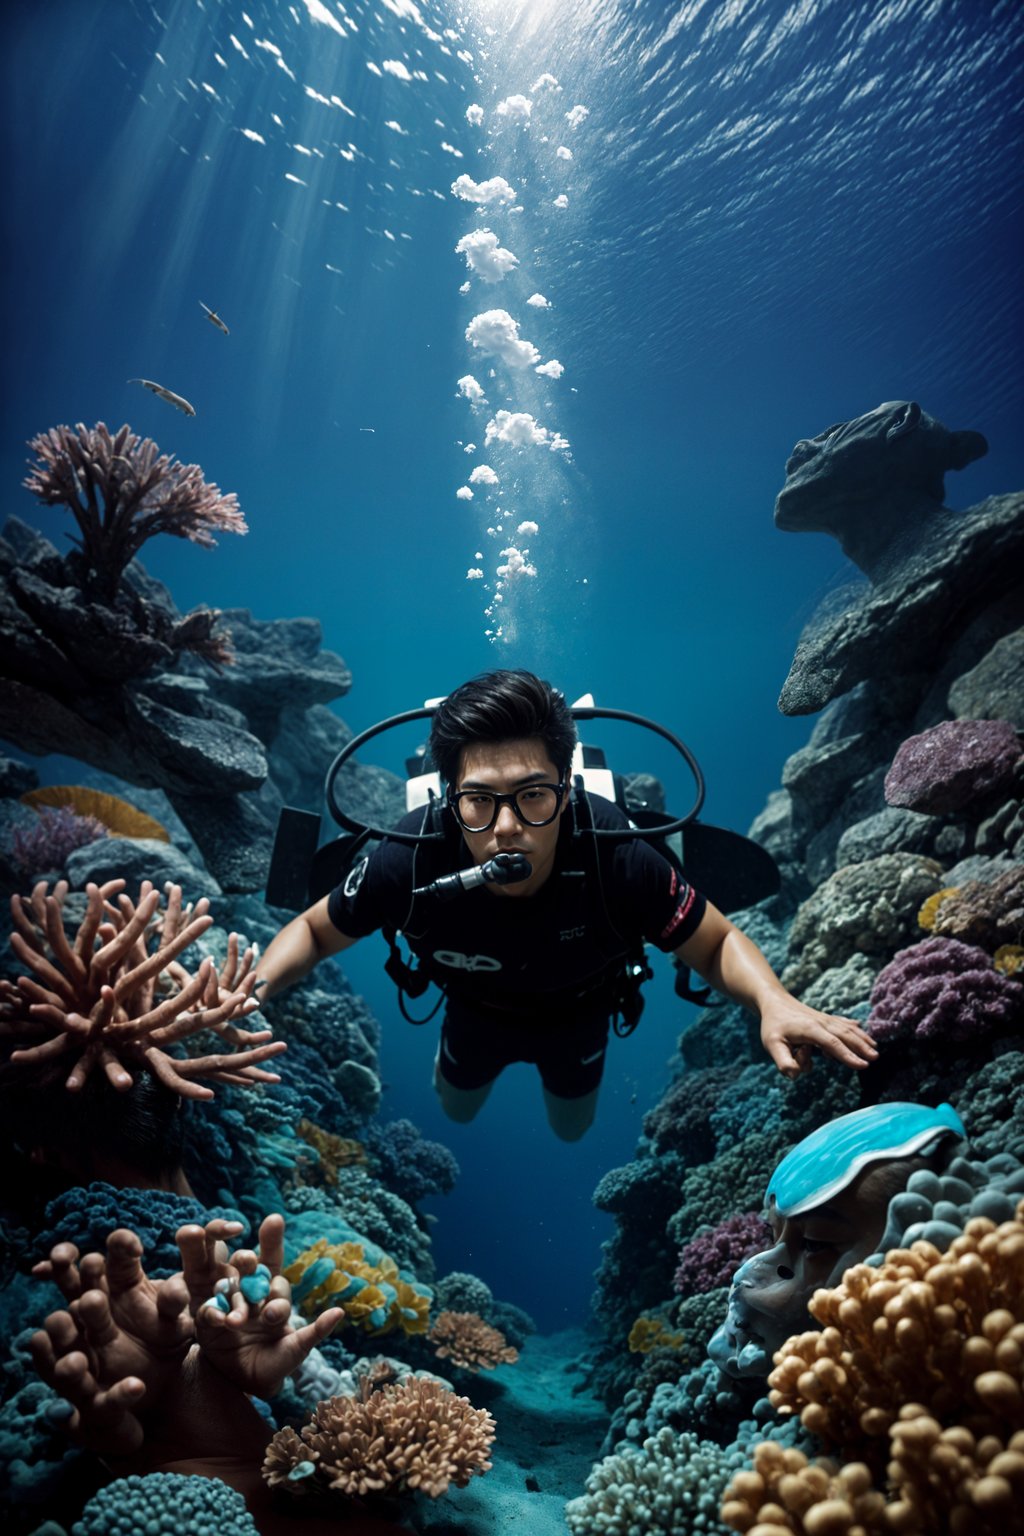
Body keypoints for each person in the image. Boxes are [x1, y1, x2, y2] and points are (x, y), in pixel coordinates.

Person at [255, 670, 877, 1142]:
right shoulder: (410, 854)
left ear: (566, 786)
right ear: (448, 800)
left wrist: (774, 1000)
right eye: (478, 801)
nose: (506, 828)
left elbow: (713, 942)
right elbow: (313, 930)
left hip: (581, 1012)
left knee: (571, 1126)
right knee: (457, 1107)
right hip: (475, 1009)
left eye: (533, 796)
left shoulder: (616, 854)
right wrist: (248, 991)